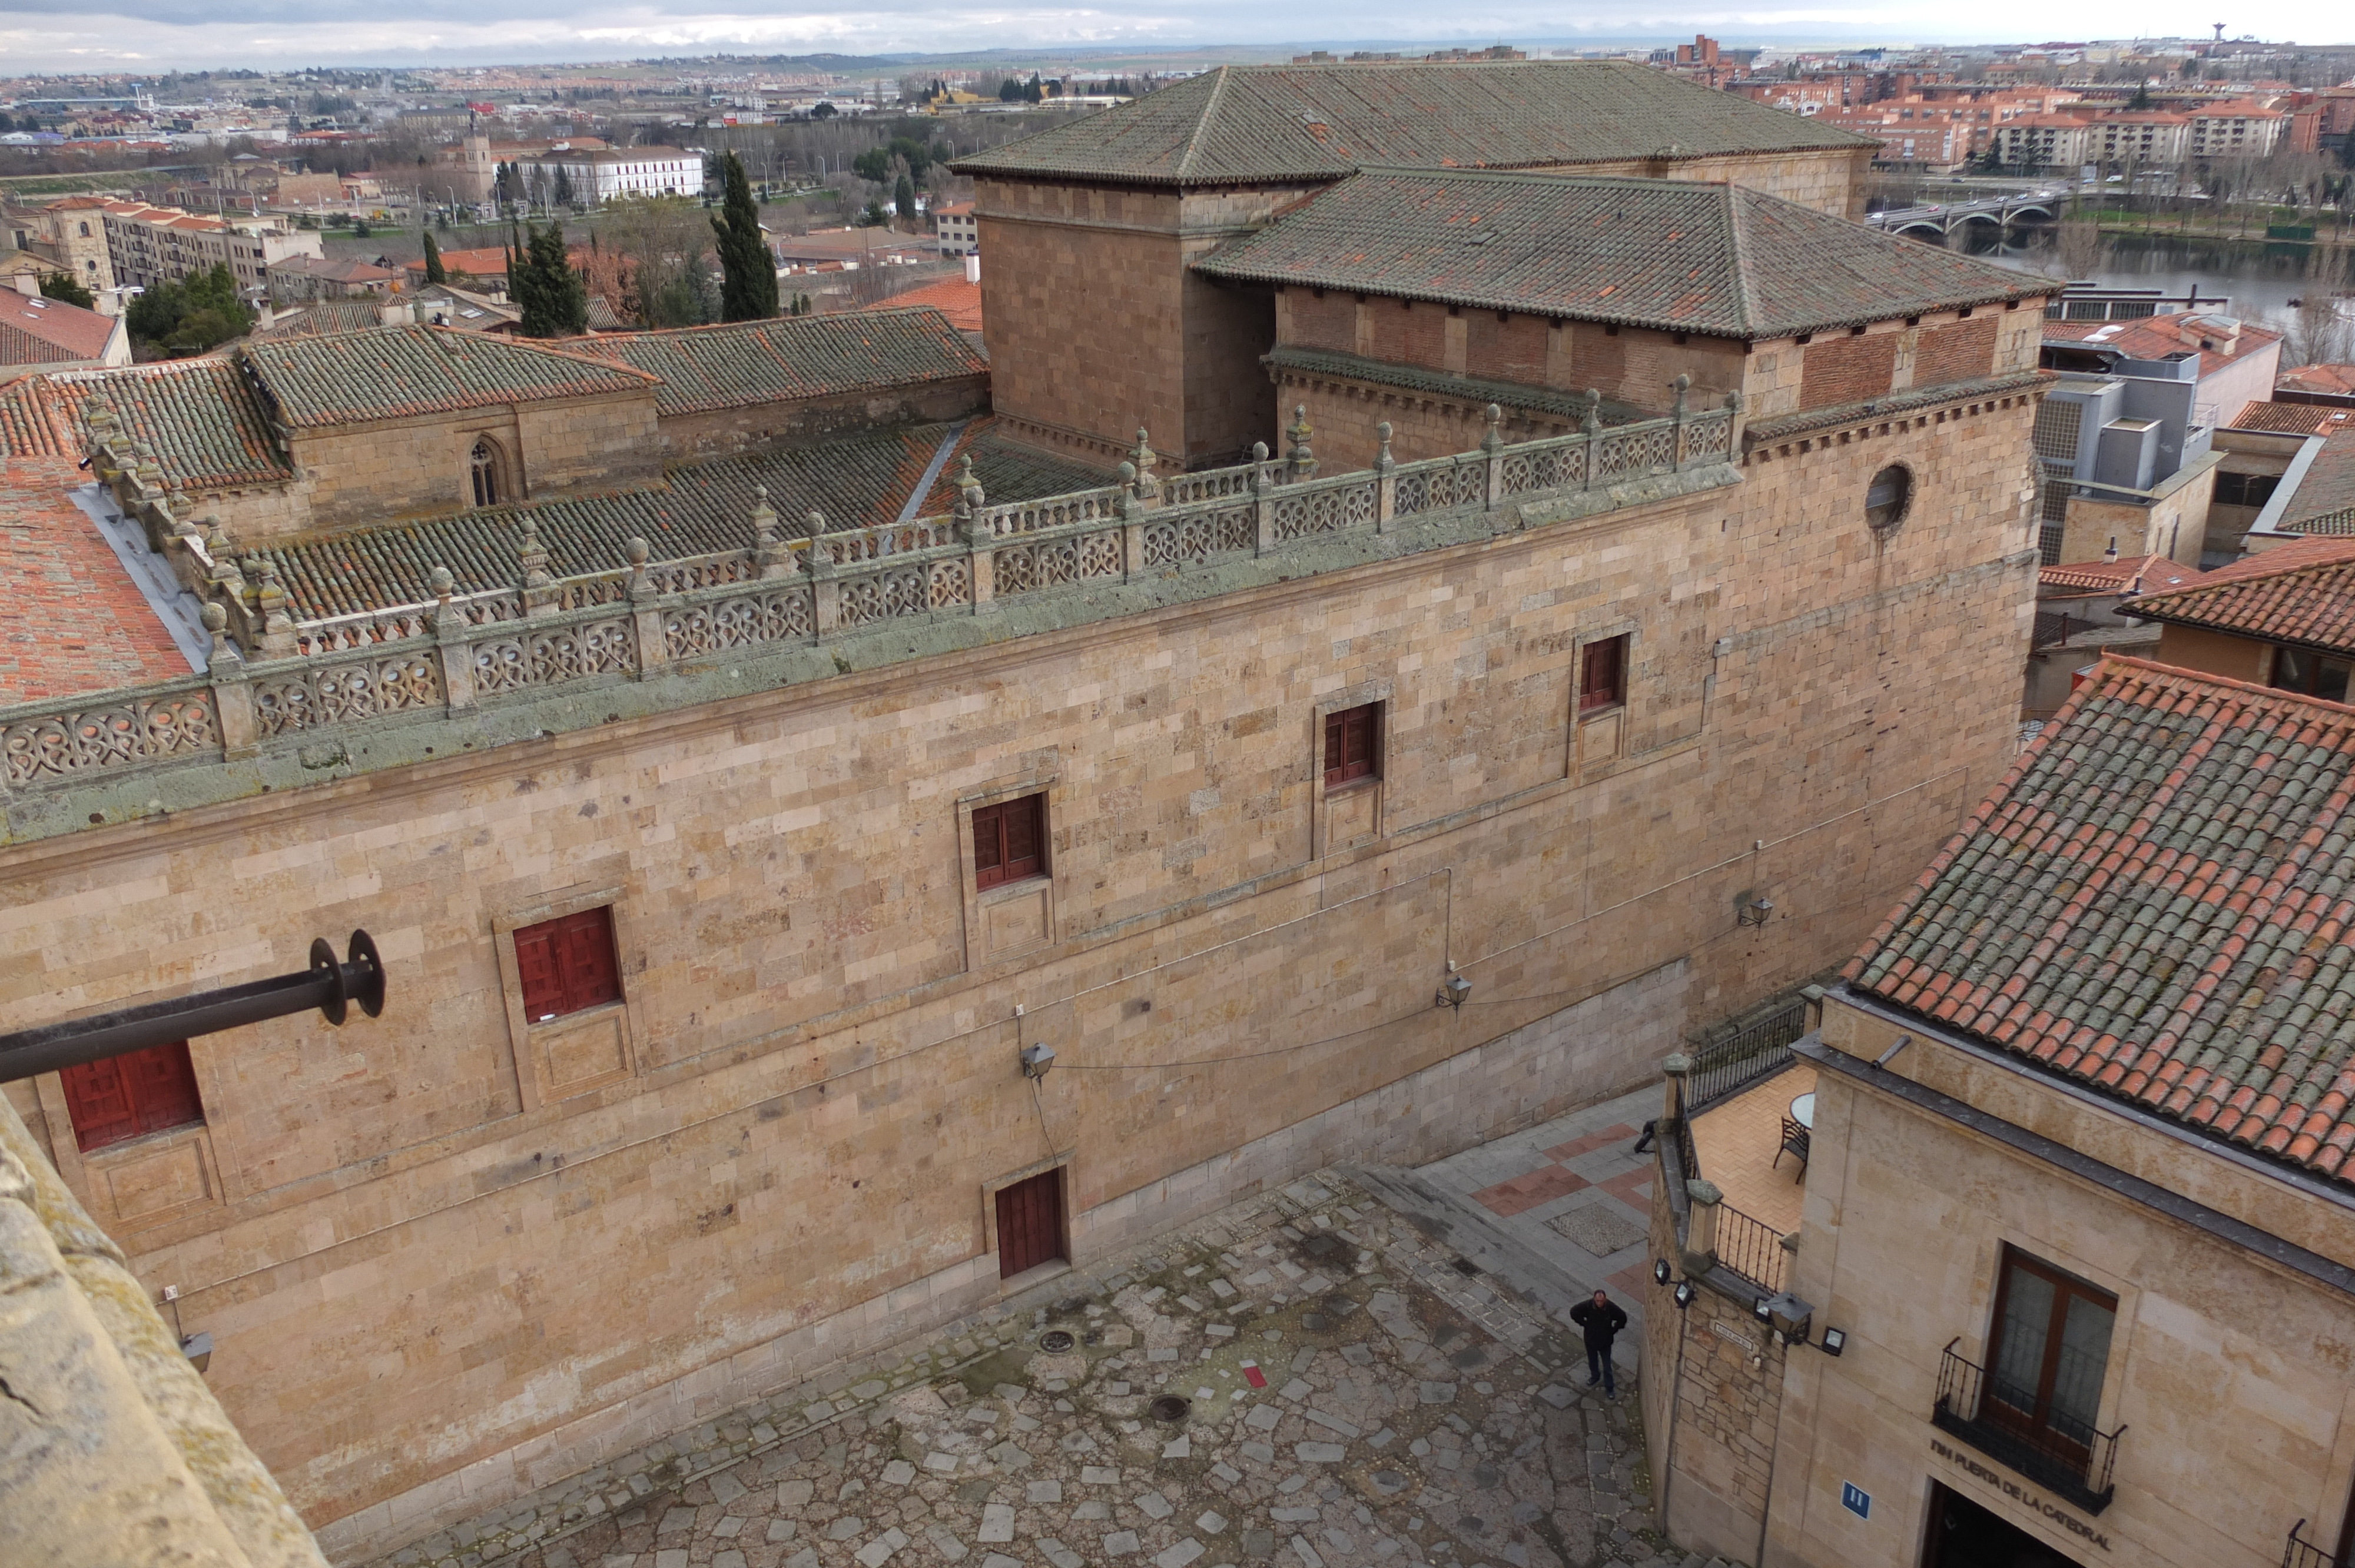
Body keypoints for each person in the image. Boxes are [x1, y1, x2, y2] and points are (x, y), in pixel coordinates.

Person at [1570, 1288, 1628, 1394]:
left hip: (1605, 1342)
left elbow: (1622, 1318)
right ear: (1594, 1299)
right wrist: (1585, 1324)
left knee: (1607, 1366)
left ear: (1605, 1299)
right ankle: (1595, 1376)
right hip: (1591, 1340)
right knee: (1593, 1361)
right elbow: (1574, 1312)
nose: (1599, 1303)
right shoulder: (1588, 1306)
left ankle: (1609, 1387)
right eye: (1597, 1301)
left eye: (1601, 1301)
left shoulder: (1611, 1308)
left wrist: (1613, 1330)